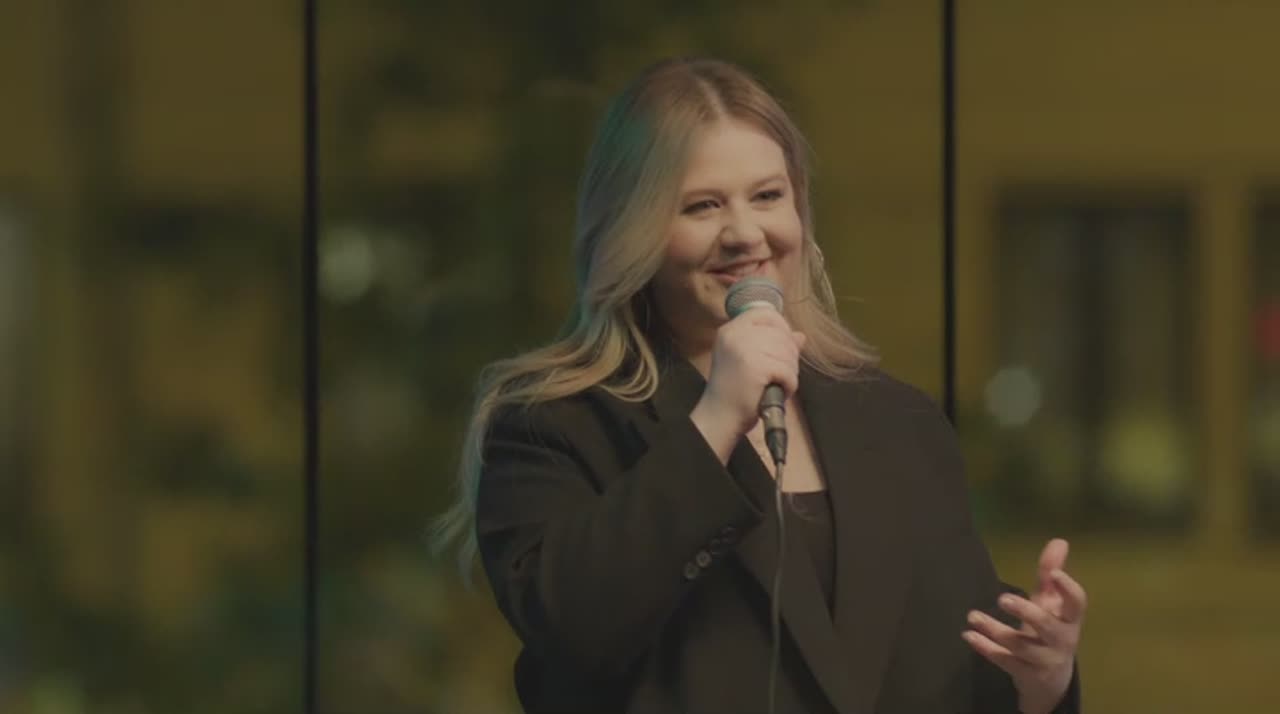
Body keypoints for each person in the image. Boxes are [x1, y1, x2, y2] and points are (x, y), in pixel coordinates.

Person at [434, 57, 1085, 714]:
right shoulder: (553, 423)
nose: (745, 234)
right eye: (702, 206)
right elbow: (571, 631)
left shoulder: (899, 422)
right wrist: (716, 417)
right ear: (632, 230)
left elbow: (954, 676)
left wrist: (1042, 681)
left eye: (768, 196)